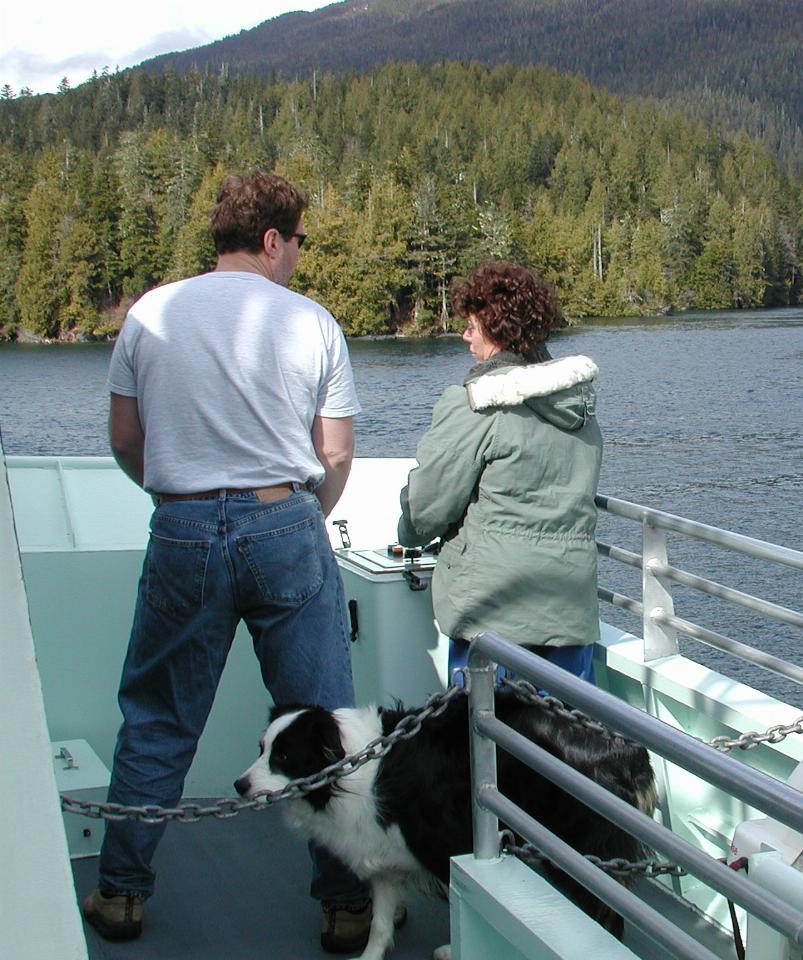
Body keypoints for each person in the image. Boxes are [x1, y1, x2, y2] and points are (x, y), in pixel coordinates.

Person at [84, 170, 377, 954]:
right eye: (297, 243)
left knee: (157, 720)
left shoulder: (151, 313)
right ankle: (347, 909)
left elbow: (123, 438)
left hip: (182, 527)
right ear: (274, 239)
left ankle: (119, 896)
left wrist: (176, 502)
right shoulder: (312, 321)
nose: (297, 259)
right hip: (283, 518)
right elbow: (336, 452)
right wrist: (299, 518)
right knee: (322, 721)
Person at [398, 261, 603, 685]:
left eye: (471, 325)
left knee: (488, 744)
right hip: (569, 611)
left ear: (494, 329)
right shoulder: (580, 408)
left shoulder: (476, 404)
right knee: (562, 746)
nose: (465, 336)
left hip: (493, 615)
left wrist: (408, 534)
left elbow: (426, 509)